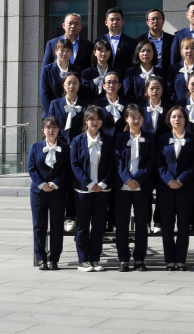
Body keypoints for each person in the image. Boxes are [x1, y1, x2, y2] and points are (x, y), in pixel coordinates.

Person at [70, 106, 113, 272]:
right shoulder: (77, 140)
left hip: (103, 190)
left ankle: (95, 259)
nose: (95, 122)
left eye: (98, 119)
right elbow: (75, 164)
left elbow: (112, 164)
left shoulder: (108, 140)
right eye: (91, 119)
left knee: (98, 225)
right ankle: (83, 260)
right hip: (83, 190)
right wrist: (88, 183)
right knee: (82, 225)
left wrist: (103, 183)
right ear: (85, 120)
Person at [113, 104, 157, 272]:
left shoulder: (150, 138)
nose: (136, 120)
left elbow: (151, 161)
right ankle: (123, 259)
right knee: (122, 225)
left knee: (141, 224)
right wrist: (127, 179)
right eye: (133, 117)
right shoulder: (119, 138)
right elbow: (118, 160)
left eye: (139, 117)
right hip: (122, 187)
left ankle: (139, 259)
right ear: (126, 119)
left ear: (143, 119)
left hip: (142, 187)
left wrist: (136, 179)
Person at [157, 105, 194, 271]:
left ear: (185, 119)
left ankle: (181, 259)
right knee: (167, 226)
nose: (177, 119)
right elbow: (159, 163)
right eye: (173, 116)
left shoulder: (193, 140)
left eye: (180, 116)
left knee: (183, 225)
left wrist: (181, 180)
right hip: (166, 188)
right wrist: (169, 180)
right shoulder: (161, 139)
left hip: (185, 188)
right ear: (169, 120)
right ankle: (170, 260)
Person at [29, 117, 70, 271]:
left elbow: (67, 168)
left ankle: (54, 259)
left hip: (58, 192)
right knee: (39, 225)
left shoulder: (65, 148)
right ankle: (41, 258)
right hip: (38, 193)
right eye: (48, 127)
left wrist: (55, 183)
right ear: (43, 130)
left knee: (57, 226)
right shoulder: (35, 147)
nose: (51, 130)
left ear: (59, 130)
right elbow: (31, 168)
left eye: (54, 127)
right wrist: (42, 184)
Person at [47, 71, 86, 141]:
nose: (72, 86)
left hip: (80, 141)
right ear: (63, 85)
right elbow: (50, 124)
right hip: (59, 141)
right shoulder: (55, 104)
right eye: (68, 83)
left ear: (79, 85)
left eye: (75, 83)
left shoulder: (86, 104)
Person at [40, 40, 74, 117]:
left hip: (72, 113)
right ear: (56, 51)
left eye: (68, 50)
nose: (64, 53)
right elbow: (44, 94)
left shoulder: (76, 70)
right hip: (52, 114)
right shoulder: (47, 70)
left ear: (71, 53)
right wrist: (51, 114)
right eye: (62, 50)